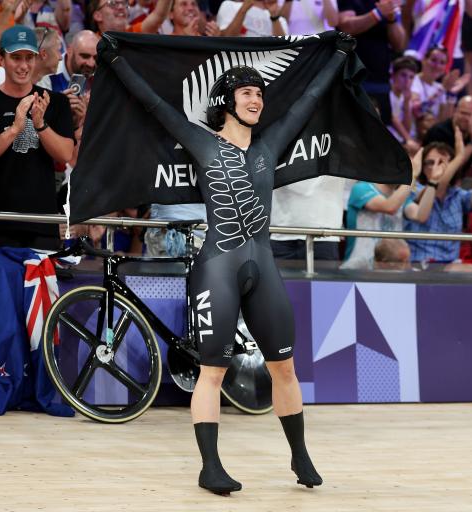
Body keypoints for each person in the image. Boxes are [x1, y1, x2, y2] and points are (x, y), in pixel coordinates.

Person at [97, 32, 360, 494]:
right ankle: (210, 467)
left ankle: (300, 457)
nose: (258, 99)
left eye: (260, 93)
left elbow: (308, 98)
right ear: (226, 102)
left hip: (263, 263)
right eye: (248, 93)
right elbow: (152, 103)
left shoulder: (268, 146)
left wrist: (338, 54)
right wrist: (116, 59)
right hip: (217, 265)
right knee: (213, 371)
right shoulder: (200, 143)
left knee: (285, 367)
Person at [0, 25, 74, 249]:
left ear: (37, 58)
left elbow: (65, 154)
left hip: (40, 223)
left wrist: (40, 125)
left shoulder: (56, 102)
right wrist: (14, 129)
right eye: (16, 57)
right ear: (1, 59)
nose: (24, 66)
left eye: (29, 57)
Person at [404, 127, 472, 264]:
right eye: (430, 162)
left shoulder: (457, 195)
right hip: (419, 265)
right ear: (422, 166)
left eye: (442, 163)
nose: (436, 168)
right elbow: (438, 186)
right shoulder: (413, 189)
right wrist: (459, 157)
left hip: (450, 267)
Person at [423, 95, 472, 178]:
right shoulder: (439, 132)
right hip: (434, 180)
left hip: (461, 182)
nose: (469, 119)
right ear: (455, 111)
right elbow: (447, 170)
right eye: (464, 113)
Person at [410, 46, 470, 123]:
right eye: (433, 60)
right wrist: (442, 90)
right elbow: (417, 111)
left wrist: (452, 94)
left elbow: (444, 121)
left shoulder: (439, 87)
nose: (437, 66)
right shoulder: (412, 80)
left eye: (442, 63)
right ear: (423, 60)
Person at [388, 55, 421, 154]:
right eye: (403, 75)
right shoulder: (386, 94)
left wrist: (407, 103)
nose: (407, 81)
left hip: (400, 139)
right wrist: (409, 140)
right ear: (393, 76)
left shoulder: (406, 97)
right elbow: (393, 119)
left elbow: (407, 128)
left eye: (411, 77)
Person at [217, 0, 287, 36]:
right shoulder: (229, 5)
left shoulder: (279, 19)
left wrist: (274, 16)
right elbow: (227, 39)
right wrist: (243, 9)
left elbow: (283, 48)